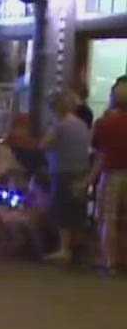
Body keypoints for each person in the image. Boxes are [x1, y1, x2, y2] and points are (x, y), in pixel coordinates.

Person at [41, 91, 92, 265]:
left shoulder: (60, 125)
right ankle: (76, 246)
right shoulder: (81, 124)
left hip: (63, 171)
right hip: (81, 170)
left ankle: (64, 249)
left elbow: (45, 144)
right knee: (77, 210)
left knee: (63, 210)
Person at [90, 77, 127, 274]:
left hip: (112, 174)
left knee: (108, 218)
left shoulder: (105, 123)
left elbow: (99, 153)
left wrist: (88, 180)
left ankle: (109, 260)